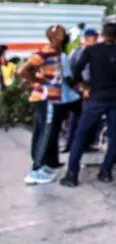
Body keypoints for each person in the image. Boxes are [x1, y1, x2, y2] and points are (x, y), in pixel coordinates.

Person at [60, 23, 116, 186]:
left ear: (102, 34)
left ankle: (72, 173)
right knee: (114, 136)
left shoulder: (91, 51)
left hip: (95, 98)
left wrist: (84, 86)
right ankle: (106, 171)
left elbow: (76, 71)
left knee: (81, 134)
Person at [18, 25, 80, 185]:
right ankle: (36, 170)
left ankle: (46, 164)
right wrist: (38, 82)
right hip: (48, 99)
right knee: (45, 132)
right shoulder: (46, 52)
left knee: (47, 131)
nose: (64, 35)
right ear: (55, 37)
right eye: (61, 33)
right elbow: (23, 71)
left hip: (53, 98)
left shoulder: (58, 52)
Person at [63, 28, 100, 153]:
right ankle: (70, 144)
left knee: (92, 117)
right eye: (93, 39)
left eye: (96, 39)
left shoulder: (98, 53)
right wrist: (79, 86)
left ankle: (88, 143)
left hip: (94, 87)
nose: (95, 41)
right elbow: (71, 70)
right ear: (87, 39)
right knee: (75, 117)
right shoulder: (77, 52)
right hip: (79, 86)